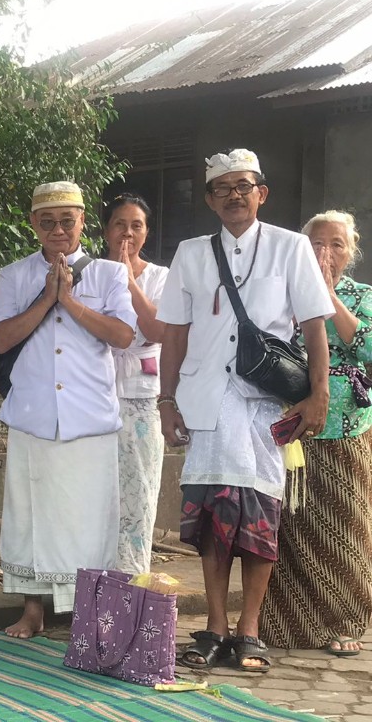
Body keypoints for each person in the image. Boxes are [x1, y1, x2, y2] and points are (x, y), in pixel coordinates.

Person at [157, 148, 332, 674]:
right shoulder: (189, 253)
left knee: (259, 518)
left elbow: (315, 326)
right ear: (209, 199)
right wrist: (165, 400)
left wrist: (318, 394)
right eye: (222, 188)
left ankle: (249, 630)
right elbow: (174, 335)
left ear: (262, 193)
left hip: (262, 408)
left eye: (243, 186)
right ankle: (214, 626)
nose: (234, 195)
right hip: (205, 403)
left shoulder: (290, 247)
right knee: (212, 519)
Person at [0, 180, 136, 638]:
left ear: (82, 222)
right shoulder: (15, 275)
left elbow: (123, 336)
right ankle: (33, 611)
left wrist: (68, 300)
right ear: (33, 224)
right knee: (31, 517)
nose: (58, 230)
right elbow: (0, 339)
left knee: (89, 522)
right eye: (47, 221)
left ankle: (84, 615)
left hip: (89, 417)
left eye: (66, 221)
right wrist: (46, 298)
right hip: (33, 414)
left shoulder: (109, 275)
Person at [260, 210, 372, 657]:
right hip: (293, 429)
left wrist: (328, 298)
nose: (325, 253)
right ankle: (286, 625)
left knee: (347, 530)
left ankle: (345, 621)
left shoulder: (362, 296)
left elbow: (367, 348)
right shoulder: (280, 294)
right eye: (316, 244)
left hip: (347, 430)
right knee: (291, 528)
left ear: (352, 251)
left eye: (336, 245)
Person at [103, 194, 169, 574]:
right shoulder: (91, 272)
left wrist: (129, 281)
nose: (127, 233)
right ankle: (91, 588)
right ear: (106, 230)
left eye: (137, 225)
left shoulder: (162, 277)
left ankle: (130, 583)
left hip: (142, 397)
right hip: (94, 393)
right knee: (98, 494)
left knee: (138, 490)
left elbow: (159, 330)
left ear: (146, 232)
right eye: (119, 224)